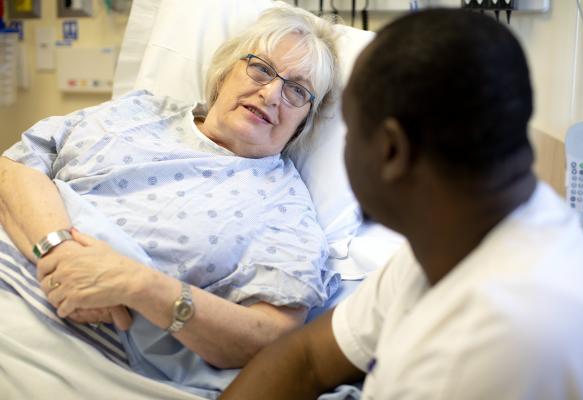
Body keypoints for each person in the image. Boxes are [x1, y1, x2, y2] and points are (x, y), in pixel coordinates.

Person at [221, 8, 583, 400]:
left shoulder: (494, 345)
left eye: (349, 129)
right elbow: (308, 357)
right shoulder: (453, 241)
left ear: (391, 150)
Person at [0, 5, 341, 396]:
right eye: (261, 68)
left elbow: (273, 339)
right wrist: (58, 254)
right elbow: (15, 166)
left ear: (305, 121)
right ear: (225, 71)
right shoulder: (137, 111)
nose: (271, 93)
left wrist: (138, 286)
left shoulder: (286, 211)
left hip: (74, 351)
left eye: (297, 90)